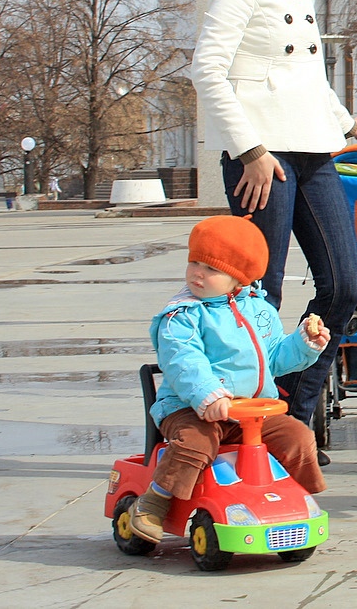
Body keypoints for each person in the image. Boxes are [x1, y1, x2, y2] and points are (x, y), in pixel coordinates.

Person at [189, 0, 357, 456]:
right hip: (262, 158)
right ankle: (245, 428)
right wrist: (251, 150)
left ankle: (287, 408)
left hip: (315, 148)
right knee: (257, 298)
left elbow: (305, 78)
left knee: (344, 284)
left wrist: (346, 121)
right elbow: (208, 71)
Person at [123, 214, 329, 542]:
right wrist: (209, 395)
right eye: (194, 263)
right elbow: (182, 361)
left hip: (251, 411)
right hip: (191, 408)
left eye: (211, 269)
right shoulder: (182, 315)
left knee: (298, 437)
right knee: (196, 443)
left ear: (239, 280)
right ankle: (154, 501)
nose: (198, 274)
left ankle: (294, 499)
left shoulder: (259, 310)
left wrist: (305, 344)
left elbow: (276, 357)